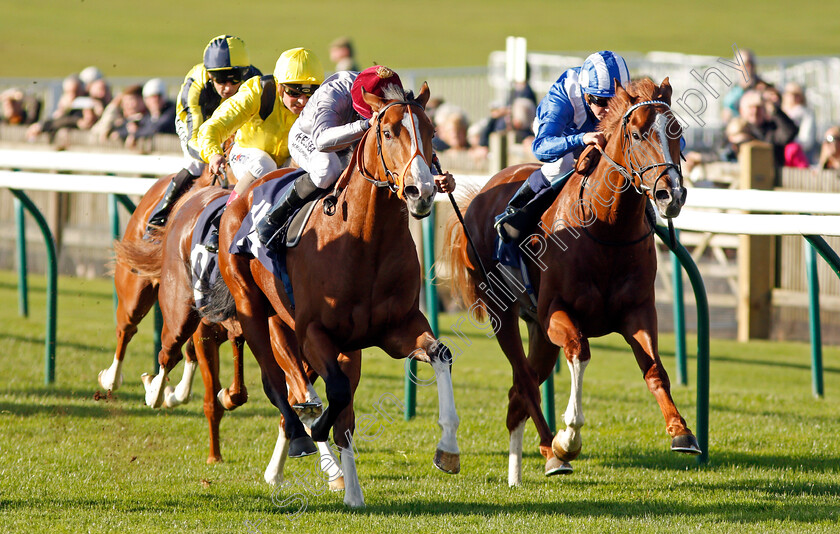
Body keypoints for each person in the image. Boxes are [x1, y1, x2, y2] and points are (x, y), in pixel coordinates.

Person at [255, 65, 456, 249]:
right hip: (311, 136)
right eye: (367, 113)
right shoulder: (333, 93)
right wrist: (365, 124)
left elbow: (409, 136)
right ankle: (275, 218)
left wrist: (430, 174)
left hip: (353, 137)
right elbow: (322, 141)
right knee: (328, 170)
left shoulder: (396, 97)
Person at [494, 50, 630, 243]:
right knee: (560, 166)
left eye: (615, 100)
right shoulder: (563, 97)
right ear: (586, 94)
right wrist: (581, 139)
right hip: (562, 134)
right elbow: (540, 147)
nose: (609, 109)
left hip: (592, 136)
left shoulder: (627, 93)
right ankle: (515, 214)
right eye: (600, 101)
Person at [198, 47, 325, 251]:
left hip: (284, 161)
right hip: (245, 156)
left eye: (311, 92)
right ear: (279, 86)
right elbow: (214, 126)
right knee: (263, 163)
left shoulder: (319, 103)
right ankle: (222, 222)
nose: (303, 101)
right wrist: (213, 153)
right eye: (294, 92)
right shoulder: (258, 92)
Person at [145, 35, 262, 234]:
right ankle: (157, 222)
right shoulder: (195, 86)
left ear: (244, 72)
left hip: (231, 123)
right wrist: (214, 153)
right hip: (196, 123)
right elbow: (194, 139)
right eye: (220, 79)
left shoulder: (255, 80)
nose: (227, 87)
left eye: (234, 79)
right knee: (196, 165)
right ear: (209, 75)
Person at [737, 88, 798, 169]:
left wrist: (775, 110)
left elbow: (789, 132)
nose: (755, 111)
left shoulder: (771, 130)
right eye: (751, 107)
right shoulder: (737, 130)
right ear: (741, 111)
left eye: (758, 107)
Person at [782, 82, 818, 162]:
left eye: (796, 94)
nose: (793, 97)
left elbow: (806, 140)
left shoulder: (806, 113)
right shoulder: (781, 113)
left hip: (800, 156)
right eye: (789, 94)